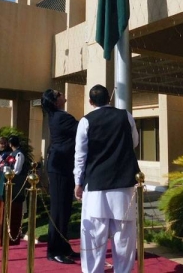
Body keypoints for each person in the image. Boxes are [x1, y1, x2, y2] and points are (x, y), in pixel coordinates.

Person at [74, 85, 140, 273]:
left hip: (96, 185)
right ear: (108, 99)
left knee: (94, 236)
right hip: (123, 184)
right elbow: (134, 142)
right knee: (124, 237)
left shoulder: (86, 121)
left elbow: (80, 155)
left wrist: (78, 182)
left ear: (90, 102)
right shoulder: (125, 115)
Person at [41, 89, 79, 264]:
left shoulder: (58, 116)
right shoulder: (62, 118)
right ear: (56, 101)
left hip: (63, 167)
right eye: (59, 94)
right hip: (59, 167)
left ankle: (63, 247)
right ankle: (54, 250)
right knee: (58, 210)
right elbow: (83, 129)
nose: (63, 94)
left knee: (64, 209)